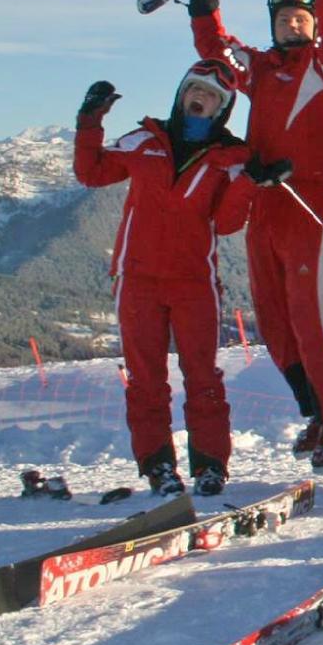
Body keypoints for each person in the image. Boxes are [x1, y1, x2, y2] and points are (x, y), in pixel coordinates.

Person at [188, 0, 323, 467]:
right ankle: (314, 413)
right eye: (285, 18)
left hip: (309, 203)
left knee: (311, 319)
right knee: (277, 326)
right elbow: (216, 48)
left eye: (301, 18)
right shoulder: (259, 70)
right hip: (263, 204)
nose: (294, 25)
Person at [73, 64, 254, 496]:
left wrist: (251, 182)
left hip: (195, 283)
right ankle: (158, 467)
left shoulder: (231, 157)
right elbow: (91, 172)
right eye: (193, 88)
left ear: (222, 107)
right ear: (180, 93)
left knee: (203, 377)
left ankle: (210, 465)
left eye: (210, 94)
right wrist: (90, 122)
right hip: (138, 281)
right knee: (146, 378)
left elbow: (228, 224)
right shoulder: (144, 141)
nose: (199, 96)